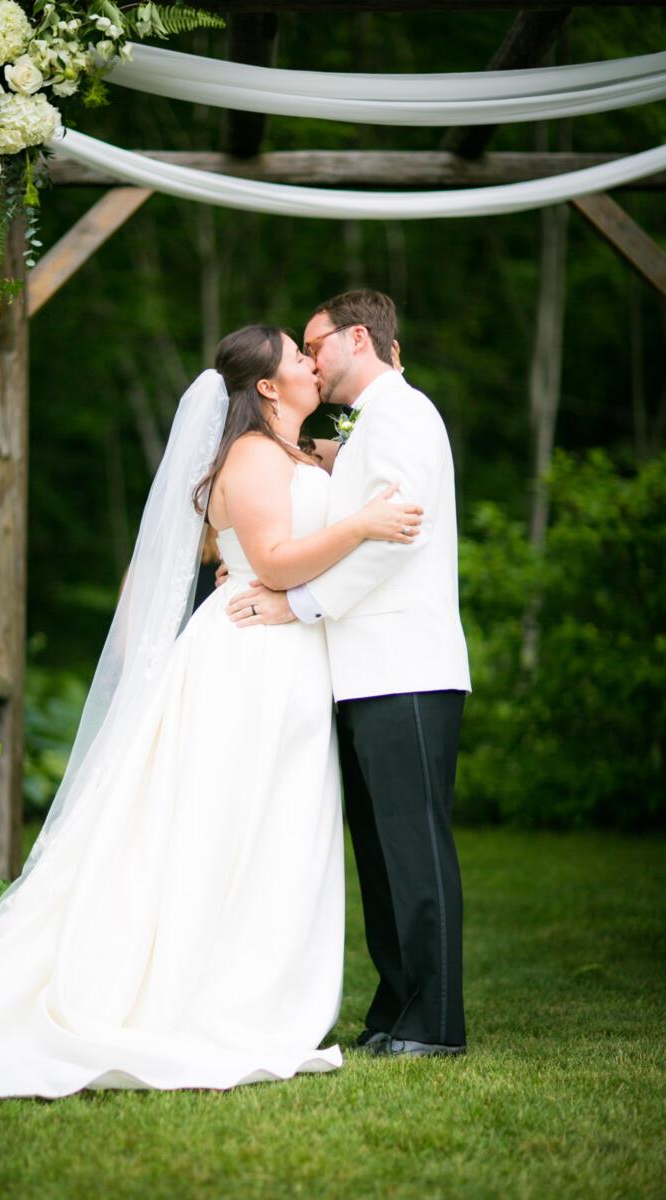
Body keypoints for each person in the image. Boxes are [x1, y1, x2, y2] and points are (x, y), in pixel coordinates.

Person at [0, 325, 424, 1099]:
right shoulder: (257, 454)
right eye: (297, 356)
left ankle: (247, 977)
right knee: (231, 821)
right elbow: (269, 562)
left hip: (289, 656)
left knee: (272, 820)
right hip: (251, 654)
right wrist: (361, 524)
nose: (309, 360)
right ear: (266, 386)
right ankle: (217, 994)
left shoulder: (293, 453)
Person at [226, 292, 472, 1059]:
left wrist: (297, 603)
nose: (311, 359)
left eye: (315, 343)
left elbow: (393, 540)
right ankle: (396, 1007)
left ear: (356, 338)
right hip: (361, 672)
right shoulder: (371, 427)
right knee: (379, 847)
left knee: (414, 841)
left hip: (406, 664)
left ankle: (435, 1023)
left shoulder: (402, 414)